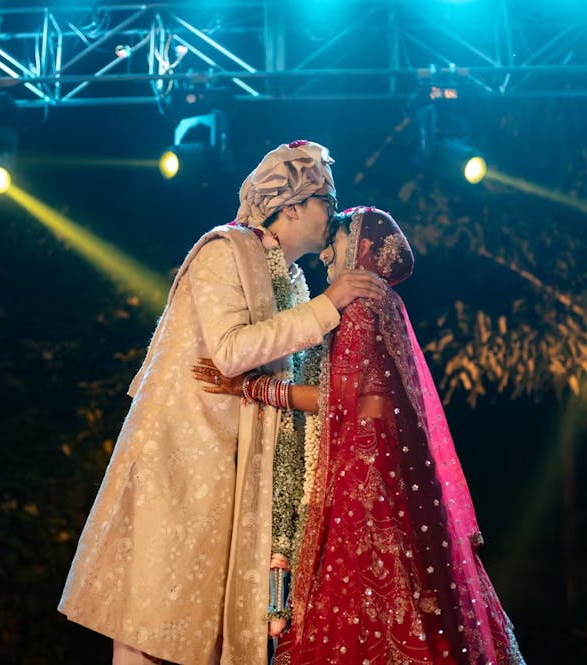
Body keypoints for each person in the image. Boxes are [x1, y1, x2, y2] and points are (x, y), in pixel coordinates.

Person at [58, 142, 387, 665]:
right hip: (180, 464)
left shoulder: (293, 278)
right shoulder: (224, 251)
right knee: (150, 626)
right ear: (293, 205)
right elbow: (230, 350)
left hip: (236, 473)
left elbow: (283, 372)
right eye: (326, 197)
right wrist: (331, 305)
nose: (334, 209)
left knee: (202, 637)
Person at [193, 207, 526, 664]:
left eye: (341, 238)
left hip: (364, 490)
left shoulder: (363, 310)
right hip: (385, 481)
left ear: (364, 250)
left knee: (364, 610)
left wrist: (254, 387)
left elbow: (347, 400)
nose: (328, 249)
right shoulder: (383, 307)